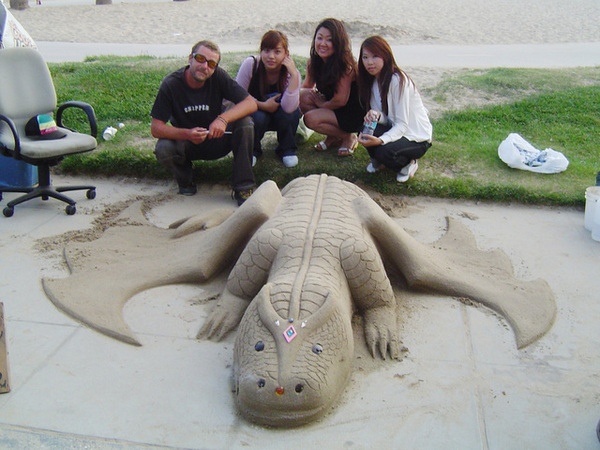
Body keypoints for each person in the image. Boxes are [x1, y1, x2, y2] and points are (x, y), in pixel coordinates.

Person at [150, 40, 257, 205]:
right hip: (187, 143)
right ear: (190, 58)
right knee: (163, 148)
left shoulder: (219, 77)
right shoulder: (171, 84)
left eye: (212, 63)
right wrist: (187, 134)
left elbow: (250, 103)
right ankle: (186, 178)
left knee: (246, 124)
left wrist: (222, 119)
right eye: (200, 58)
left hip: (217, 138)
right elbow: (156, 128)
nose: (205, 66)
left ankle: (243, 186)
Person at [357, 35, 432, 182]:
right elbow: (389, 118)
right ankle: (380, 160)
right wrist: (377, 115)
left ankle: (408, 164)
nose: (369, 62)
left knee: (385, 151)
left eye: (375, 56)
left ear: (386, 56)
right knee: (365, 130)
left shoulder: (397, 80)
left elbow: (402, 124)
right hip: (397, 129)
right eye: (365, 57)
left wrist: (380, 141)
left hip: (415, 136)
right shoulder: (372, 81)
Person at [236, 30, 302, 168]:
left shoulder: (291, 73)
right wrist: (262, 105)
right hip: (257, 111)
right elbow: (237, 95)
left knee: (291, 114)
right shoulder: (251, 64)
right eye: (266, 51)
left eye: (277, 52)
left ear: (286, 54)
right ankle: (253, 150)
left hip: (281, 112)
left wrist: (294, 76)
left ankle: (287, 149)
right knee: (257, 117)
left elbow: (290, 107)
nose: (271, 56)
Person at [300, 18, 364, 156]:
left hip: (351, 112)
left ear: (338, 43)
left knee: (310, 119)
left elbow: (340, 100)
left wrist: (321, 104)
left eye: (329, 40)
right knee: (302, 96)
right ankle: (333, 136)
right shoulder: (314, 62)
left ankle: (348, 136)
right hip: (331, 107)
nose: (323, 44)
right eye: (320, 38)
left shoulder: (345, 65)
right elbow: (306, 87)